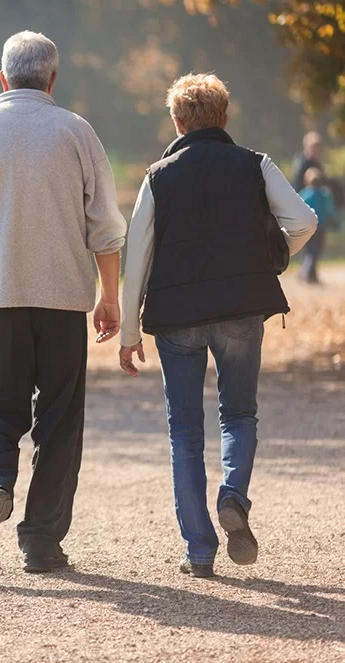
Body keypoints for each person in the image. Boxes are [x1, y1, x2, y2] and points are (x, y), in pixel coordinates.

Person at [0, 31, 127, 573]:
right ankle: (41, 542)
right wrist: (110, 297)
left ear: (3, 78)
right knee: (60, 422)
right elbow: (106, 228)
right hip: (63, 305)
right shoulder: (77, 131)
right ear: (52, 79)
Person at [118, 73, 317, 578]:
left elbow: (136, 254)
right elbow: (305, 221)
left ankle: (199, 551)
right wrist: (270, 256)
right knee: (239, 415)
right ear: (225, 117)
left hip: (177, 317)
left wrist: (128, 330)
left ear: (177, 122)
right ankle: (234, 497)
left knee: (184, 432)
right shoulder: (256, 165)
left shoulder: (158, 176)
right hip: (242, 309)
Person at [299, 166, 339, 284]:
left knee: (308, 250)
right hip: (320, 227)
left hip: (307, 227)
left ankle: (309, 274)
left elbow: (299, 208)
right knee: (315, 251)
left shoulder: (305, 194)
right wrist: (335, 220)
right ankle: (307, 274)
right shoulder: (324, 194)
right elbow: (330, 210)